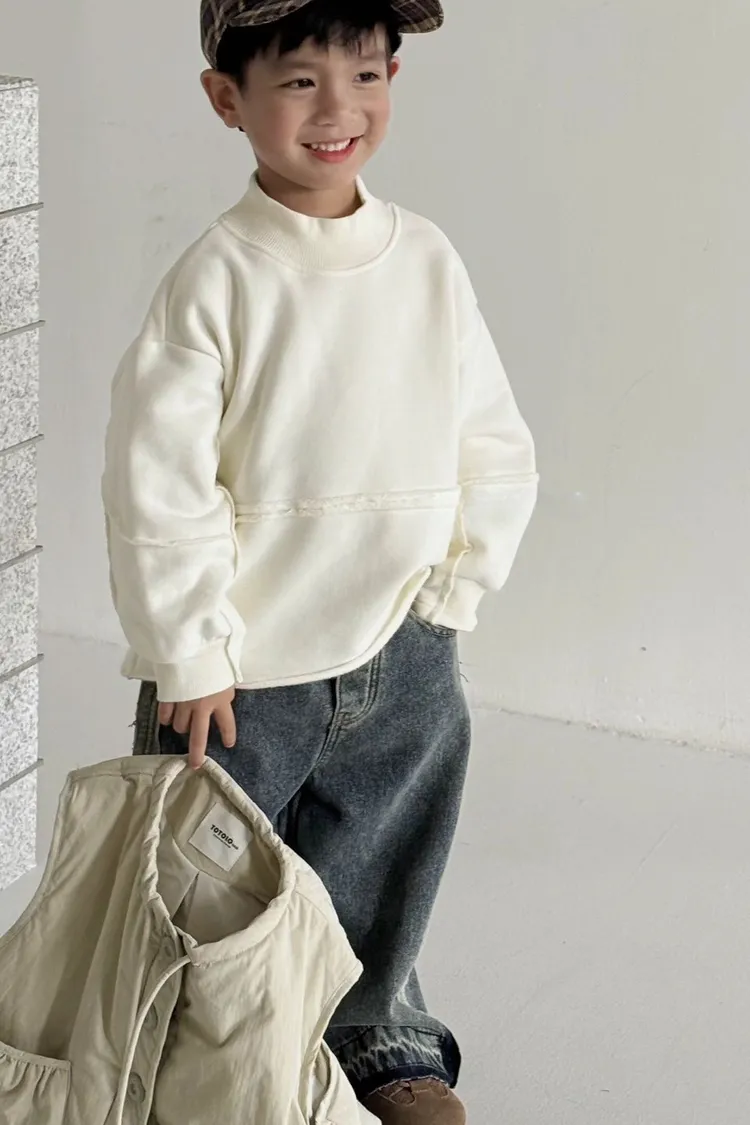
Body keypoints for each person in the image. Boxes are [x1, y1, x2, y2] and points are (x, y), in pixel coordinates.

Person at [102, 1, 538, 1120]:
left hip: (404, 642)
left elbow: (489, 433)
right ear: (227, 98)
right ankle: (191, 1058)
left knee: (381, 858)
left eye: (367, 73)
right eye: (299, 80)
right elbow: (158, 481)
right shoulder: (216, 279)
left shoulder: (426, 259)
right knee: (205, 879)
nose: (338, 107)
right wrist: (189, 650)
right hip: (242, 671)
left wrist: (455, 586)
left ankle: (380, 1038)